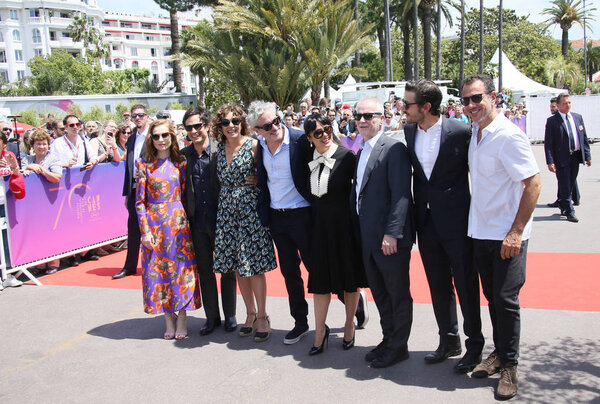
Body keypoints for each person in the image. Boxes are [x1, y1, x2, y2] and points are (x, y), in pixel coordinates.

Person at [462, 74, 541, 400]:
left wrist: (516, 232)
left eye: (477, 98)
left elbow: (533, 184)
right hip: (481, 232)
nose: (471, 106)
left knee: (506, 301)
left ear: (493, 96)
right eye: (466, 100)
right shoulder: (476, 134)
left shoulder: (508, 136)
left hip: (508, 237)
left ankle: (509, 365)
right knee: (494, 298)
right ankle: (498, 354)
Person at [403, 80, 483, 373]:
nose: (403, 109)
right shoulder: (409, 130)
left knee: (465, 284)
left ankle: (474, 345)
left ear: (426, 107)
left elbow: (479, 172)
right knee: (438, 285)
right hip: (426, 224)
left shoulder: (461, 132)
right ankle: (448, 341)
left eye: (407, 104)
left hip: (458, 223)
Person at [350, 97, 414, 369]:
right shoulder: (361, 149)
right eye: (358, 116)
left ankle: (399, 347)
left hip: (388, 239)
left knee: (397, 293)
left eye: (368, 115)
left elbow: (401, 196)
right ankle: (389, 339)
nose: (362, 121)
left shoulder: (394, 149)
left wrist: (392, 234)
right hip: (368, 237)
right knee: (380, 292)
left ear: (382, 117)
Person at [250, 100, 314, 344]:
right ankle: (301, 322)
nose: (275, 127)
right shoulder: (259, 148)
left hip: (303, 215)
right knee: (290, 273)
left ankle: (349, 298)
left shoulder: (299, 140)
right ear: (257, 130)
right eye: (267, 126)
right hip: (277, 218)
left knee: (316, 268)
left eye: (276, 120)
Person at [212, 103, 277, 342]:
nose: (231, 126)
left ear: (243, 123)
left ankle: (262, 316)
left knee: (255, 266)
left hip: (250, 211)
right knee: (239, 266)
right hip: (227, 212)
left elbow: (270, 173)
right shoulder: (218, 149)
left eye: (235, 121)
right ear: (219, 127)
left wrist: (258, 180)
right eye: (225, 122)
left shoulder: (253, 146)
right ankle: (249, 313)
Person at [303, 114, 368, 355]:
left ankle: (349, 324)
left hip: (345, 226)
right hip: (319, 228)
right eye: (318, 133)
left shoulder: (347, 156)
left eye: (327, 129)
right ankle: (320, 330)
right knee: (319, 284)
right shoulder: (306, 158)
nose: (324, 135)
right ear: (310, 138)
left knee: (349, 281)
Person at [135, 119, 201, 339]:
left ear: (172, 137)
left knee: (182, 270)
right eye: (156, 136)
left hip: (178, 223)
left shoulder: (181, 162)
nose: (161, 140)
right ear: (150, 140)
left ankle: (182, 317)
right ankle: (168, 317)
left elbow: (185, 194)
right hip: (154, 225)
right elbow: (139, 202)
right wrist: (145, 231)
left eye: (165, 135)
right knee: (158, 271)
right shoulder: (143, 165)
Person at [180, 106, 238, 335]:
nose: (194, 131)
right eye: (189, 128)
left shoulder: (221, 150)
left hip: (221, 219)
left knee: (226, 270)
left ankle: (230, 315)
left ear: (205, 125)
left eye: (197, 126)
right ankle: (211, 317)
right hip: (197, 222)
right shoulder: (184, 156)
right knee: (204, 271)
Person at [113, 104, 150, 279]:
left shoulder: (155, 135)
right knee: (133, 228)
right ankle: (129, 266)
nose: (137, 118)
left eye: (140, 115)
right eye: (134, 116)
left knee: (153, 227)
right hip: (135, 188)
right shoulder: (132, 138)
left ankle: (154, 265)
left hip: (153, 188)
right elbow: (128, 167)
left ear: (147, 116)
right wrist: (127, 193)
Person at [544, 93, 591, 222]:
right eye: (564, 103)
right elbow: (548, 143)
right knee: (564, 184)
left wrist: (587, 155)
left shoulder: (577, 117)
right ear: (558, 106)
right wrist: (550, 161)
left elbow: (583, 138)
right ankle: (569, 211)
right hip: (561, 158)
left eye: (569, 102)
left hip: (575, 156)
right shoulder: (552, 121)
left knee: (570, 183)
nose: (568, 105)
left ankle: (563, 204)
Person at [22, 129, 62, 273]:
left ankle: (54, 262)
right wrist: (27, 168)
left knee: (51, 231)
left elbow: (57, 177)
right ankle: (39, 263)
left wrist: (42, 171)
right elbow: (19, 173)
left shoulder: (53, 158)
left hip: (50, 200)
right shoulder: (27, 159)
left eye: (44, 144)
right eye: (38, 144)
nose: (41, 147)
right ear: (32, 145)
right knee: (37, 232)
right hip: (33, 203)